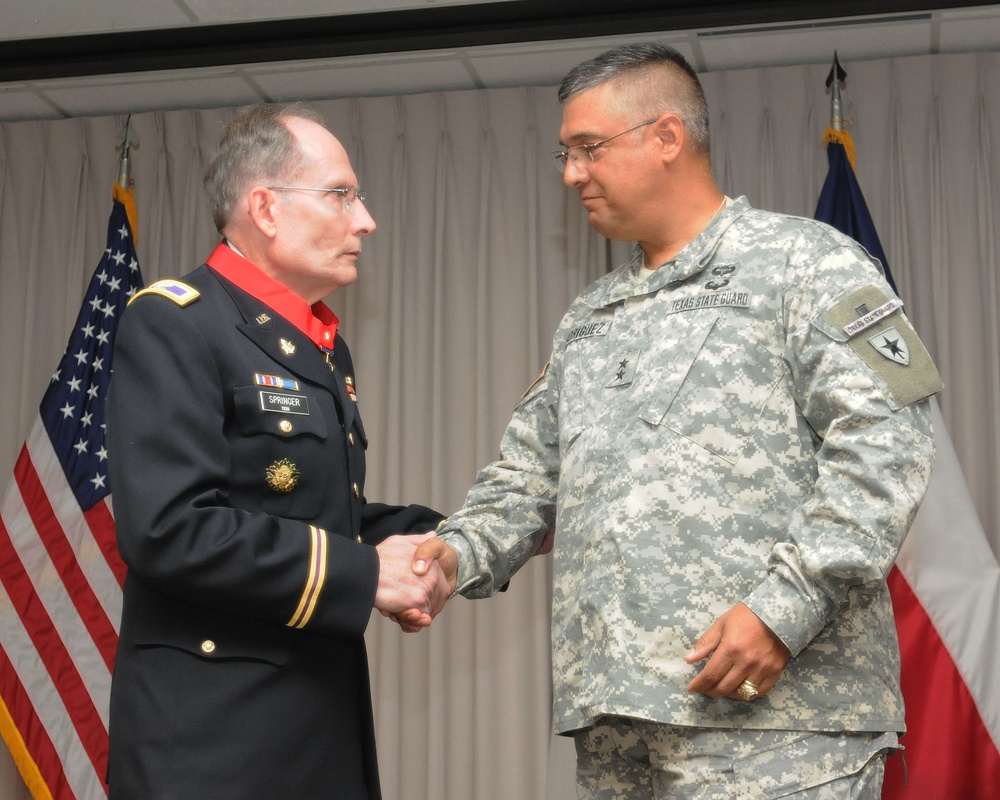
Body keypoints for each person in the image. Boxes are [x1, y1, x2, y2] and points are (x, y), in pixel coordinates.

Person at [410, 43, 943, 798]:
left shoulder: (806, 261)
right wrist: (451, 557)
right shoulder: (590, 318)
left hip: (778, 722)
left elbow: (887, 443)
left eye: (588, 149)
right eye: (563, 154)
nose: (571, 174)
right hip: (621, 725)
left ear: (668, 137)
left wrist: (781, 611)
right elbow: (528, 478)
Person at [105, 102, 450, 800]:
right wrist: (363, 575)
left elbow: (319, 515)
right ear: (265, 208)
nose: (365, 220)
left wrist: (471, 536)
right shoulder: (175, 322)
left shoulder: (319, 344)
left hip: (316, 722)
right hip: (213, 743)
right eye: (341, 195)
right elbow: (170, 529)